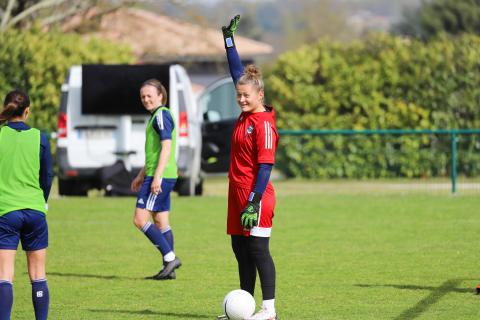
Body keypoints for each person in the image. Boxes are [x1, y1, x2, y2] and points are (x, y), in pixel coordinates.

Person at [221, 15, 279, 320]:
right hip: (236, 194)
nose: (241, 99)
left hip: (256, 196)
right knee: (240, 252)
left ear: (260, 95)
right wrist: (228, 40)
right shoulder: (245, 112)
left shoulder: (263, 124)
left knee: (258, 251)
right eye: (239, 95)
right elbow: (236, 72)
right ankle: (243, 308)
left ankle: (269, 310)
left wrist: (254, 201)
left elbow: (266, 166)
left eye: (247, 95)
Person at [0, 89, 53, 320]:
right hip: (35, 211)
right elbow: (48, 176)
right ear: (28, 111)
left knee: (4, 276)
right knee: (38, 274)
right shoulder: (40, 137)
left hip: (6, 211)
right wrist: (42, 200)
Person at [131, 79, 181, 280]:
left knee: (140, 219)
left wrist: (156, 177)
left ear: (161, 96)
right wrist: (141, 175)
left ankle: (170, 258)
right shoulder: (157, 117)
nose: (145, 99)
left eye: (149, 95)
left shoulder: (161, 115)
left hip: (160, 176)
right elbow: (156, 152)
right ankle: (169, 269)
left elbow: (166, 147)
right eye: (143, 96)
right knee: (160, 221)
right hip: (161, 174)